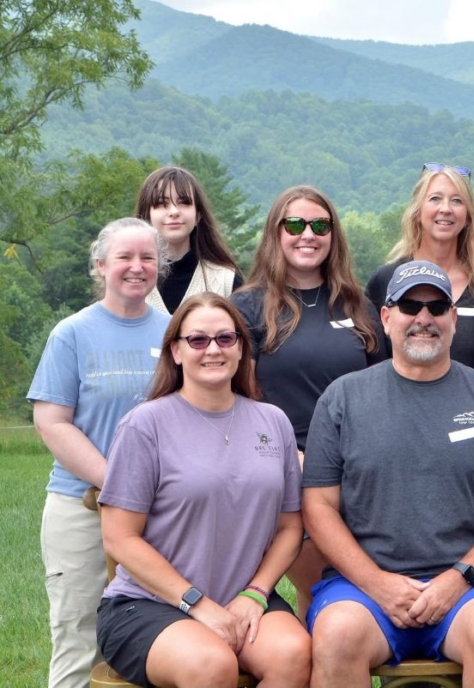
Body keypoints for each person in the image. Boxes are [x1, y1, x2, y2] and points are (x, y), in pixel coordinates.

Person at [303, 260, 474, 688]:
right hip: (364, 587)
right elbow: (318, 507)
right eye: (410, 306)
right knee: (336, 636)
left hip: (469, 585)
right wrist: (377, 583)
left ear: (454, 319)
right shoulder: (342, 399)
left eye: (437, 307)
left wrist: (458, 578)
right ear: (387, 317)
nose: (424, 318)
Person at [95, 293, 310, 688]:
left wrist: (257, 593)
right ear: (176, 351)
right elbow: (119, 537)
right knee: (211, 665)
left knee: (294, 655)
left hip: (244, 597)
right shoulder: (145, 425)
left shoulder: (272, 422)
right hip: (149, 604)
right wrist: (197, 604)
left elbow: (289, 527)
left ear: (242, 349)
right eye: (198, 340)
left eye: (226, 339)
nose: (213, 349)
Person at [27, 218, 172, 688]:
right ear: (100, 265)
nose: (136, 267)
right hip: (81, 507)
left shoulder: (177, 333)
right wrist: (120, 484)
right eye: (124, 258)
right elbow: (52, 422)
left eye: (147, 258)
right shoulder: (71, 333)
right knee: (77, 636)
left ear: (160, 266)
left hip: (162, 513)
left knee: (161, 636)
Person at [232, 184, 384, 619]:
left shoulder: (357, 304)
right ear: (275, 233)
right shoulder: (248, 307)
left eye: (320, 225)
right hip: (287, 469)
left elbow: (384, 385)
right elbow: (233, 397)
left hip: (357, 468)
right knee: (321, 591)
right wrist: (287, 453)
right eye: (295, 224)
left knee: (338, 600)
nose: (308, 235)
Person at [366, 163, 474, 368]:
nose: (446, 209)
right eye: (435, 199)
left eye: (457, 201)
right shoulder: (386, 280)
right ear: (417, 211)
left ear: (468, 216)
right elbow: (373, 361)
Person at [134, 166, 242, 313]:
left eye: (184, 202)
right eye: (161, 203)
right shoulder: (131, 277)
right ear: (146, 216)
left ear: (198, 215)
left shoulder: (226, 281)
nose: (173, 212)